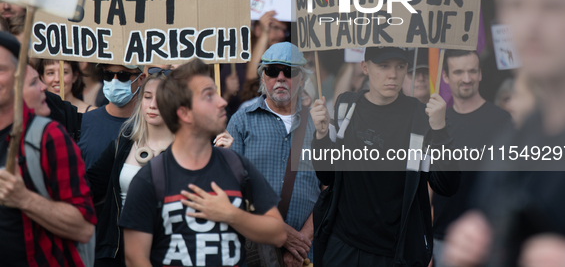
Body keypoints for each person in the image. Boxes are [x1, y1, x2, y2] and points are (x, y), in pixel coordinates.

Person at [443, 0, 565, 267]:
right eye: (516, 4)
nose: (531, 23)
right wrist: (474, 247)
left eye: (553, 5)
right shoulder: (510, 143)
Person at [118, 58, 286, 266]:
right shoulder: (150, 178)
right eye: (209, 96)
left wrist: (230, 214)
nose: (222, 102)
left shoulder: (237, 166)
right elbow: (135, 258)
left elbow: (278, 234)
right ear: (184, 112)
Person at [310, 46, 460, 267]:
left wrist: (440, 130)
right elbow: (326, 175)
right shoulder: (346, 106)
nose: (393, 74)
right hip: (343, 246)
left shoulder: (421, 115)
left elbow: (447, 186)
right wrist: (322, 135)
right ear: (365, 67)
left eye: (400, 66)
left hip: (394, 253)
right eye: (383, 66)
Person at [87, 69, 235, 266]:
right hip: (115, 253)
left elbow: (213, 204)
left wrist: (223, 159)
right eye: (147, 97)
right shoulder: (123, 143)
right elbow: (88, 185)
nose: (153, 105)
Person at [0, 31, 96, 266]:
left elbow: (84, 229)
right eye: (36, 82)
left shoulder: (48, 137)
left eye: (0, 70)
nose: (44, 87)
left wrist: (24, 199)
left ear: (17, 78)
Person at [228, 42, 322, 266]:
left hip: (304, 256)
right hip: (252, 250)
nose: (280, 77)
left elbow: (329, 192)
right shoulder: (241, 121)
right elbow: (232, 188)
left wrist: (301, 244)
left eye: (289, 71)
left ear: (303, 78)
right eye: (272, 71)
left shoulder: (321, 125)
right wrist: (283, 235)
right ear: (262, 77)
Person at [430, 49, 513, 267]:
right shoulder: (439, 120)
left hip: (484, 241)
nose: (466, 79)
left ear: (480, 74)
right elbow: (428, 182)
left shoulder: (502, 121)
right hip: (441, 238)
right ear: (446, 76)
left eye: (472, 71)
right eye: (458, 72)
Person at [77, 64, 145, 168]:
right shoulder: (84, 121)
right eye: (108, 75)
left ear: (140, 79)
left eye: (123, 75)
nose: (114, 81)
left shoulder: (149, 126)